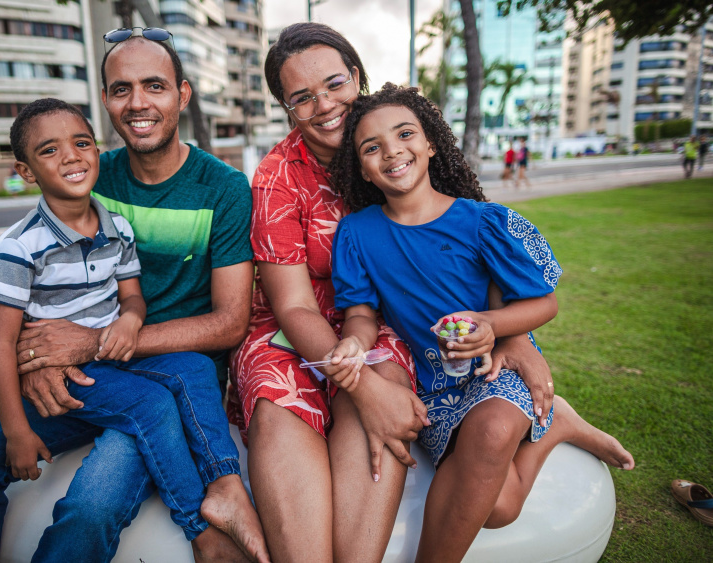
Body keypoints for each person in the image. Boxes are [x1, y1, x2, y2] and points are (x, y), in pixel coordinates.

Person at [0, 30, 267, 563]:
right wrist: (37, 360)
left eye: (154, 85)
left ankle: (209, 521)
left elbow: (229, 323)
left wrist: (92, 343)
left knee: (90, 507)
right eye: (120, 88)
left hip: (168, 383)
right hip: (83, 376)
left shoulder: (221, 187)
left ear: (183, 94)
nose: (138, 103)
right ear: (105, 100)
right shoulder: (84, 172)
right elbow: (27, 292)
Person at [227, 22, 557, 562]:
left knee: (392, 382)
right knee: (279, 398)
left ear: (356, 77)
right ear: (287, 108)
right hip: (295, 329)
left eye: (334, 84)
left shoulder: (401, 140)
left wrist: (508, 336)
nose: (324, 104)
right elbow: (291, 306)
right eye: (302, 97)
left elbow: (467, 248)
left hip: (385, 324)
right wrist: (362, 388)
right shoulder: (277, 179)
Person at [327, 83, 635, 562]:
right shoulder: (358, 232)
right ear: (361, 168)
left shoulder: (480, 222)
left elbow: (544, 302)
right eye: (372, 147)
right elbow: (362, 314)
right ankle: (556, 424)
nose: (392, 151)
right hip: (434, 387)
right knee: (499, 507)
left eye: (405, 134)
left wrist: (492, 324)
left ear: (430, 143)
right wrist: (352, 344)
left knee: (492, 433)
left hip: (497, 371)